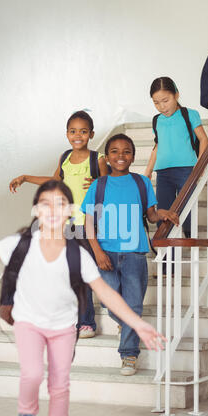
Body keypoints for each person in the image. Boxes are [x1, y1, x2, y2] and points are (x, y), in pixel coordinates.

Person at [0, 179, 166, 416]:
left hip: (64, 327)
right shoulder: (19, 244)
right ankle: (26, 415)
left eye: (60, 204)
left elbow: (106, 293)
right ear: (35, 210)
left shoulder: (79, 255)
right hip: (29, 323)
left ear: (70, 210)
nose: (53, 210)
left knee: (59, 383)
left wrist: (138, 324)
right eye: (45, 204)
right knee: (32, 374)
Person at [80, 134, 178, 376]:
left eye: (126, 152)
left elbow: (151, 216)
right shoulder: (98, 186)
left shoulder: (142, 182)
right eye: (114, 151)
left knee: (133, 304)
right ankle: (129, 325)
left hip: (135, 253)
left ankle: (129, 355)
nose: (120, 156)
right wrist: (97, 252)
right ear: (108, 157)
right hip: (106, 254)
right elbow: (88, 224)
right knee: (109, 301)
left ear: (133, 156)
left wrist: (163, 212)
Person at [9, 111, 109, 339]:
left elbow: (110, 184)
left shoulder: (98, 159)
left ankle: (89, 322)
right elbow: (54, 181)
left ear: (91, 134)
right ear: (67, 134)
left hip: (90, 224)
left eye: (83, 131)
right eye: (73, 131)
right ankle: (76, 321)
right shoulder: (65, 157)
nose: (78, 135)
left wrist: (99, 182)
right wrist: (25, 177)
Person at [145, 77, 208, 240]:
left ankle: (190, 238)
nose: (161, 106)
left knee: (187, 210)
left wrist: (200, 166)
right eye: (156, 102)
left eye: (165, 100)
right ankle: (165, 250)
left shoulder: (189, 114)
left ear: (176, 95)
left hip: (186, 171)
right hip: (163, 174)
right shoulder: (156, 120)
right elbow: (158, 146)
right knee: (163, 213)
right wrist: (148, 171)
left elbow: (203, 139)